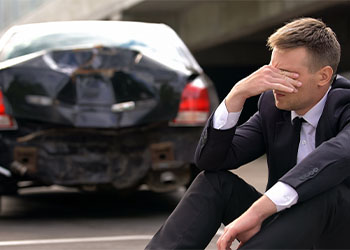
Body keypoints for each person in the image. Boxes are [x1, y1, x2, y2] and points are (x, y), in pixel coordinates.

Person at [145, 17, 350, 250]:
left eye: (287, 74)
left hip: (337, 234)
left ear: (323, 76)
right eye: (272, 71)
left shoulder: (345, 105)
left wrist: (257, 212)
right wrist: (236, 95)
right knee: (214, 182)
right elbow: (212, 161)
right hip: (287, 228)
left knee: (326, 192)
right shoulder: (272, 108)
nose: (274, 83)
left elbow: (336, 156)